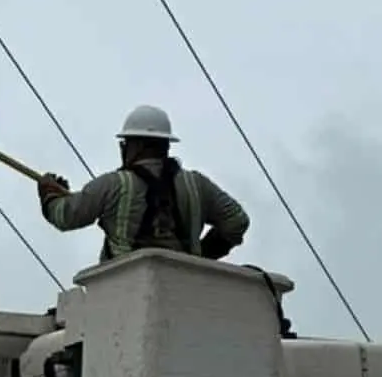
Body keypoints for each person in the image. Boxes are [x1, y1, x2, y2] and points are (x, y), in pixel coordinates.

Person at [37, 105, 249, 263]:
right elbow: (237, 221)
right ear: (166, 145)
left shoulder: (113, 185)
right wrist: (202, 257)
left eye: (125, 144)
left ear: (136, 145)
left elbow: (66, 216)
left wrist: (49, 194)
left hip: (125, 290)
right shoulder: (197, 185)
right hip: (186, 288)